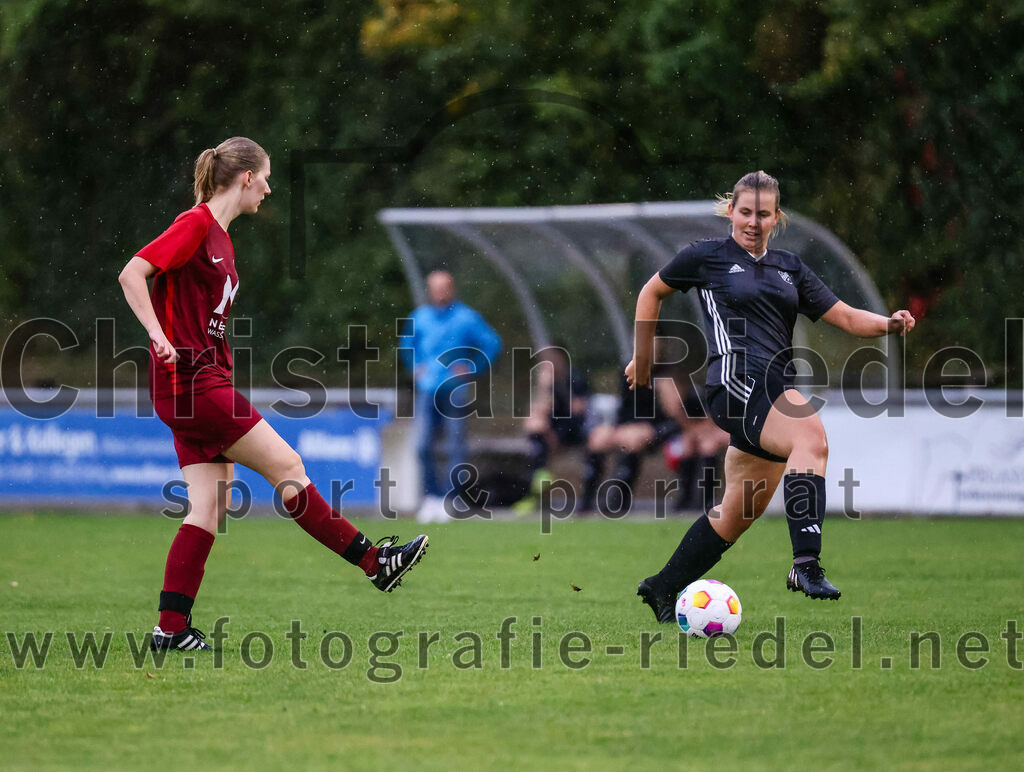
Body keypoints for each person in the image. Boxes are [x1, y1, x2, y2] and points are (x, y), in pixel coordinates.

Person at [119, 137, 428, 651]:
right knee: (288, 468)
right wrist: (156, 334)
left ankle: (170, 630)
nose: (268, 186)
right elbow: (133, 273)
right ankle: (377, 563)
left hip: (195, 384)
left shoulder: (220, 237)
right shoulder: (195, 224)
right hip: (192, 383)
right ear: (244, 178)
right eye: (264, 177)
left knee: (208, 509)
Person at [628, 170, 915, 623]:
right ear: (731, 212)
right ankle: (806, 565)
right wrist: (643, 361)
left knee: (738, 513)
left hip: (774, 389)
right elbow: (651, 292)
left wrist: (888, 324)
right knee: (811, 439)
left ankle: (662, 588)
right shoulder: (707, 257)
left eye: (763, 214)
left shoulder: (789, 268)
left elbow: (843, 315)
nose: (753, 222)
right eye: (745, 212)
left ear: (776, 217)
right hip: (736, 383)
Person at [401, 270, 502, 523]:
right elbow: (406, 345)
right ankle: (431, 497)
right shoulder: (420, 317)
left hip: (455, 390)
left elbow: (492, 343)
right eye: (435, 287)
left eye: (444, 287)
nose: (439, 292)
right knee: (422, 446)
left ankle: (450, 498)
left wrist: (473, 367)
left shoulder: (466, 317)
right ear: (429, 290)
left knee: (455, 446)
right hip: (428, 390)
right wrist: (415, 367)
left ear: (452, 288)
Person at [511, 344, 590, 515]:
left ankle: (537, 482)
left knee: (539, 431)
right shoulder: (547, 381)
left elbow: (578, 410)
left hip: (574, 429)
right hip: (551, 431)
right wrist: (544, 388)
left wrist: (559, 393)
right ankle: (539, 478)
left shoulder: (575, 378)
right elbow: (540, 409)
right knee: (534, 422)